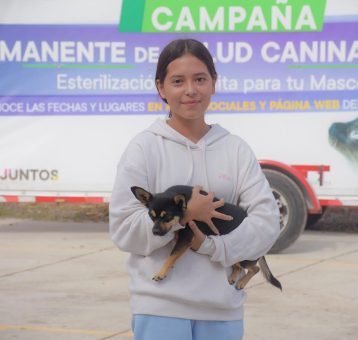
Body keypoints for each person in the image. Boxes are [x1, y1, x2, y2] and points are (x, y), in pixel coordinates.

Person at [109, 38, 280, 340]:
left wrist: (212, 247)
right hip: (158, 308)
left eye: (200, 79)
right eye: (178, 81)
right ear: (161, 88)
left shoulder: (235, 149)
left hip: (222, 311)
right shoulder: (144, 148)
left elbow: (266, 224)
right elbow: (123, 228)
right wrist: (185, 215)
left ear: (214, 83)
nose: (190, 89)